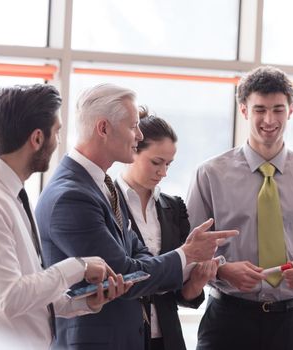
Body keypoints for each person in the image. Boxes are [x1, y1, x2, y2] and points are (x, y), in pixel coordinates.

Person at [35, 83, 238, 350]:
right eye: (133, 126)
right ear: (104, 128)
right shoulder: (72, 195)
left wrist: (139, 266)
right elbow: (125, 273)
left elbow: (137, 254)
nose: (138, 134)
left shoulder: (99, 184)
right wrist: (186, 253)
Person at [0, 84, 131, 349]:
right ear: (37, 139)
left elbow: (30, 286)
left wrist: (84, 302)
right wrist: (79, 266)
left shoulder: (14, 194)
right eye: (57, 132)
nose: (59, 143)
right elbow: (9, 298)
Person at [186, 66, 293, 350]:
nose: (269, 120)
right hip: (227, 321)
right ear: (243, 110)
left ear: (290, 110)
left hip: (292, 323)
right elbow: (190, 251)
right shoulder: (210, 174)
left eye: (278, 109)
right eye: (259, 110)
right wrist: (223, 270)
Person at [116, 108, 217, 350]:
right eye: (156, 162)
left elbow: (179, 291)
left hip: (167, 338)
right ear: (133, 151)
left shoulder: (173, 208)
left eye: (169, 164)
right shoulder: (108, 203)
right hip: (122, 335)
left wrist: (196, 283)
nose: (163, 173)